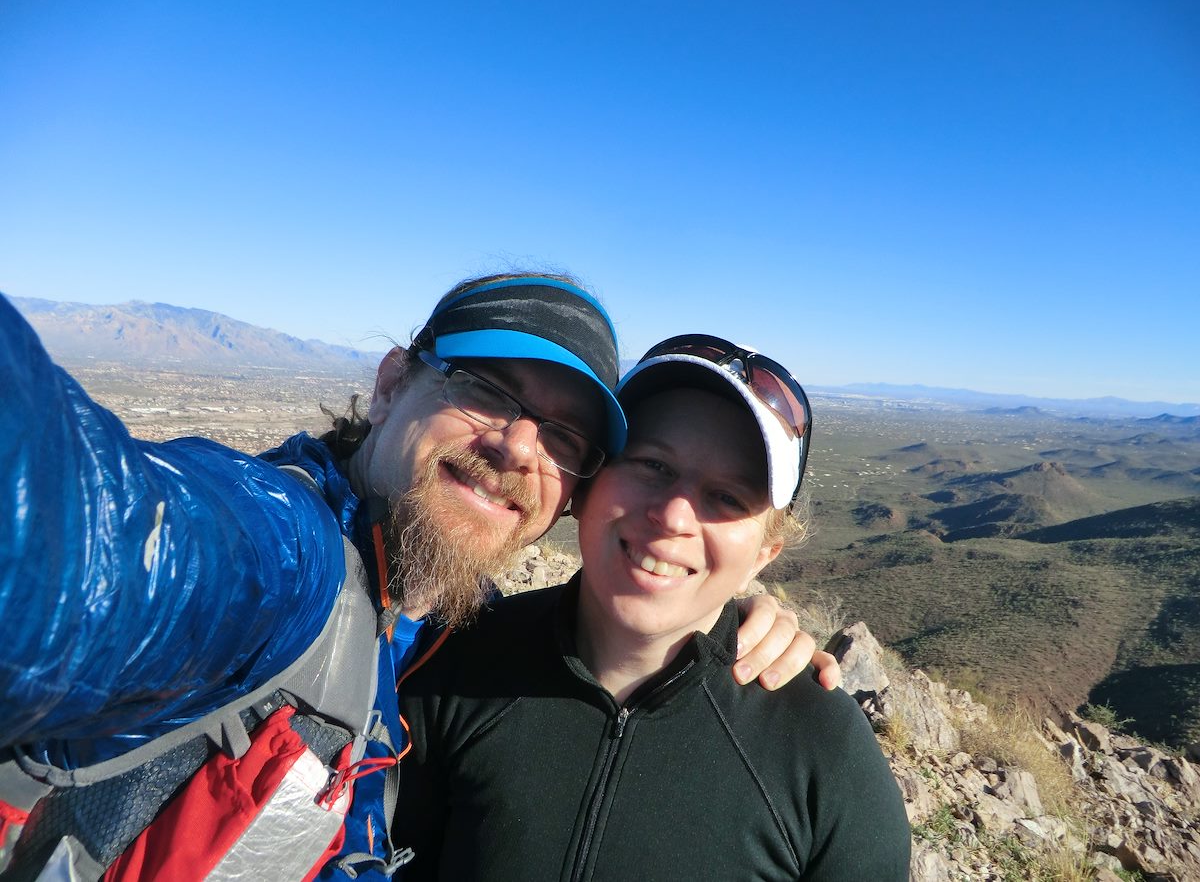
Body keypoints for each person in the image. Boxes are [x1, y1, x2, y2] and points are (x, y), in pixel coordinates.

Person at [0, 276, 836, 881]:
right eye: (485, 389)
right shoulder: (289, 555)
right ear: (393, 380)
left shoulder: (452, 632)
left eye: (565, 438)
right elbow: (87, 533)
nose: (517, 446)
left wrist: (712, 612)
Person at [396, 334, 911, 880]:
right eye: (653, 466)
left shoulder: (823, 750)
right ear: (587, 489)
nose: (673, 516)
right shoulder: (458, 663)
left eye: (728, 498)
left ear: (764, 554)